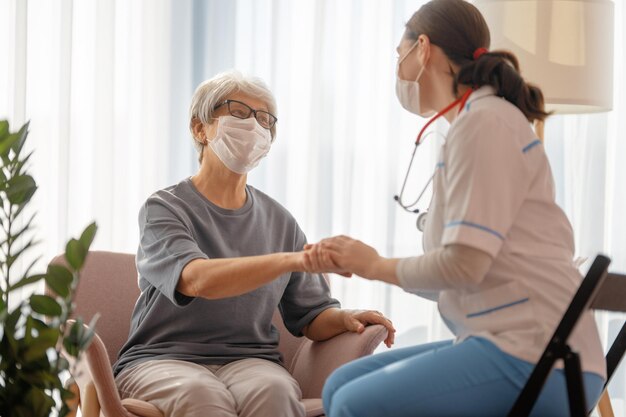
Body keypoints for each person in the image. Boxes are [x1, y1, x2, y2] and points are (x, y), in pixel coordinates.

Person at [303, 1, 606, 416]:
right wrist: (362, 259)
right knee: (340, 385)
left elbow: (464, 266)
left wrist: (376, 264)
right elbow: (461, 276)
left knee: (355, 402)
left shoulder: (485, 124)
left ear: (423, 49)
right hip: (515, 342)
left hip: (540, 356)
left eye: (399, 54)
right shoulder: (475, 124)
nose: (398, 68)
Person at [112, 70, 395, 417]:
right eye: (239, 112)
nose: (254, 127)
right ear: (200, 128)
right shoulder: (165, 207)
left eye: (265, 120)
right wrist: (290, 260)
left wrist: (344, 317)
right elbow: (196, 279)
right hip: (162, 358)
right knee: (202, 396)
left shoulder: (280, 220)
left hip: (251, 361)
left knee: (275, 392)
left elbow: (310, 317)